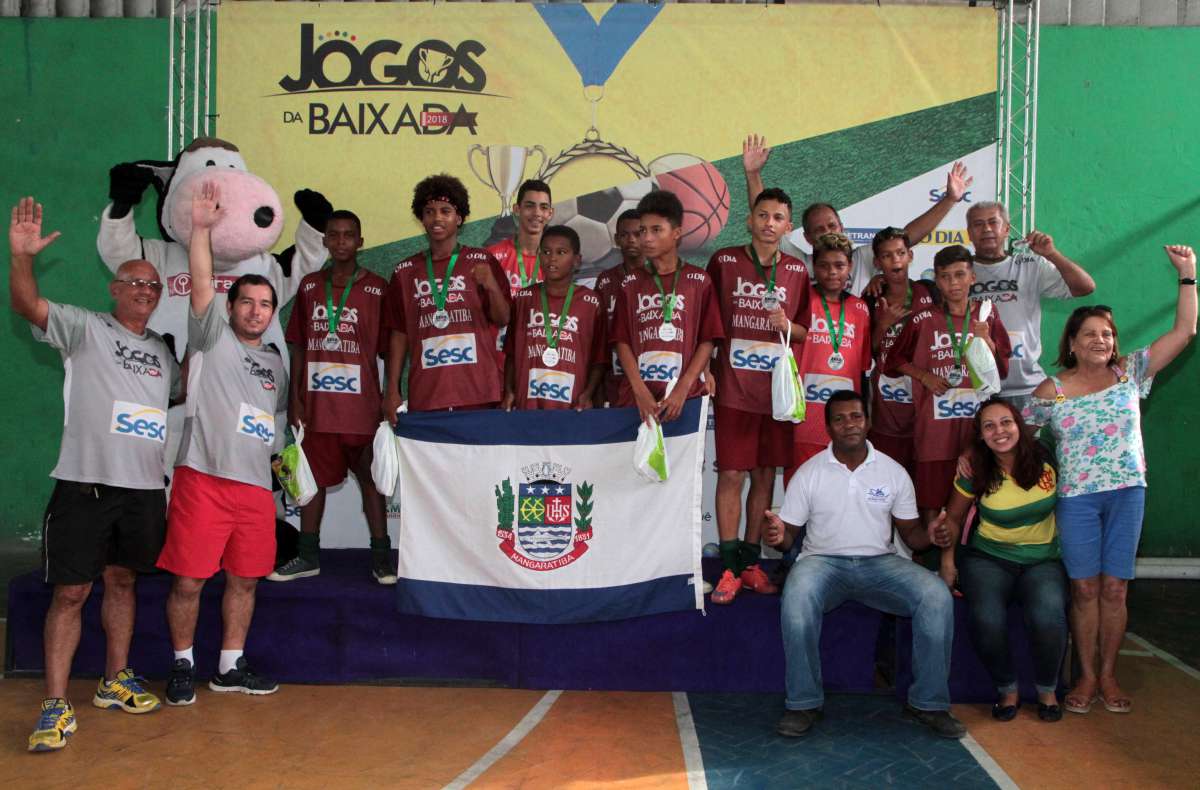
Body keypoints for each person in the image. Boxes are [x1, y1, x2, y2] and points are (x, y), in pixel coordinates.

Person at [11, 197, 179, 751]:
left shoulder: (161, 352)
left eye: (153, 287)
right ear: (114, 287)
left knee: (123, 580)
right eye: (135, 282)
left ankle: (114, 679)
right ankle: (55, 705)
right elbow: (28, 303)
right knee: (71, 592)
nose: (144, 292)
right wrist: (21, 258)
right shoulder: (84, 329)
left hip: (143, 493)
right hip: (85, 486)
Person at [1024, 245, 1196, 715]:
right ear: (1073, 342)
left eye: (1107, 333)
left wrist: (1188, 275)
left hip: (1127, 494)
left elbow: (1184, 331)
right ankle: (1082, 675)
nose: (1100, 340)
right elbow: (1015, 441)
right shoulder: (1051, 390)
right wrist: (971, 463)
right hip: (1076, 499)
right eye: (1090, 334)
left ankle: (1108, 675)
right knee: (1083, 589)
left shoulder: (1131, 374)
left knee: (1116, 588)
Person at [763, 390, 964, 739]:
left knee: (935, 595)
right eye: (839, 419)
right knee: (796, 598)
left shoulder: (893, 472)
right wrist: (777, 534)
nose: (848, 424)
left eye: (855, 416)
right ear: (828, 427)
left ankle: (928, 703)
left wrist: (933, 535)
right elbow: (787, 539)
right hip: (821, 563)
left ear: (867, 421)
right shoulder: (809, 473)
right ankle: (803, 702)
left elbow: (912, 537)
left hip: (879, 564)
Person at [157, 181, 289, 705]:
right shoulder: (211, 337)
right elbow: (203, 282)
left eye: (265, 305)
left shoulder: (277, 365)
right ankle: (182, 664)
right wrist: (202, 230)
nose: (256, 311)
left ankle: (229, 667)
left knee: (245, 581)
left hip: (254, 492)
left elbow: (265, 424)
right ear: (230, 307)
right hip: (203, 481)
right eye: (248, 302)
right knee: (189, 583)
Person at [268, 210, 394, 584]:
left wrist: (387, 399)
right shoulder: (309, 286)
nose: (341, 242)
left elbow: (389, 350)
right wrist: (295, 400)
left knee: (371, 483)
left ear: (360, 241)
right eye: (334, 235)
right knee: (311, 482)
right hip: (318, 409)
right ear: (324, 241)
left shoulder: (377, 288)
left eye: (348, 235)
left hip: (362, 408)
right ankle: (308, 556)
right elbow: (299, 349)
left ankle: (382, 558)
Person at [930, 397, 1067, 722]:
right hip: (988, 557)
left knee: (1048, 614)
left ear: (1019, 424)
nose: (1000, 431)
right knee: (987, 617)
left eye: (1006, 422)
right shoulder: (974, 467)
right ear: (980, 435)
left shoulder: (1046, 456)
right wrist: (947, 561)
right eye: (989, 426)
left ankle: (1047, 690)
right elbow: (953, 518)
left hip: (1042, 559)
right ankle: (1007, 689)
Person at [706, 187, 810, 604]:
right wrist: (707, 371)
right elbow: (705, 321)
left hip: (776, 394)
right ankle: (729, 566)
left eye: (778, 217)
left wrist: (786, 322)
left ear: (788, 226)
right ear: (750, 220)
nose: (769, 224)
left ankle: (749, 564)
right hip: (733, 388)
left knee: (765, 475)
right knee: (732, 474)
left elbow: (803, 332)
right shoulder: (724, 261)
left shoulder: (798, 271)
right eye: (762, 215)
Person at [742, 134, 972, 296]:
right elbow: (766, 220)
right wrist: (753, 175)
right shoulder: (798, 262)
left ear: (842, 227)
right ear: (808, 238)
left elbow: (906, 237)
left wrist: (950, 199)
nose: (827, 232)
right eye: (819, 230)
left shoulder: (862, 259)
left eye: (832, 225)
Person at [884, 244, 1011, 527]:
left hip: (979, 428)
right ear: (937, 280)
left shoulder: (986, 314)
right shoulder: (922, 317)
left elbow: (1002, 368)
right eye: (945, 276)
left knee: (980, 496)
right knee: (931, 499)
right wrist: (924, 376)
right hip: (935, 428)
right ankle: (929, 564)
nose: (953, 283)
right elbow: (892, 361)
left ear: (972, 277)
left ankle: (968, 563)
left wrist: (987, 340)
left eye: (960, 275)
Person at [382, 174, 512, 419]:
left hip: (478, 391)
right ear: (421, 219)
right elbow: (398, 334)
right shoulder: (404, 272)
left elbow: (503, 318)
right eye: (429, 211)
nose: (437, 218)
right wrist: (392, 391)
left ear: (459, 217)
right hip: (428, 392)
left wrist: (492, 286)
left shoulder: (481, 261)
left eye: (445, 211)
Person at [965, 202, 1095, 411]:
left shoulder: (1031, 265)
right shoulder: (958, 273)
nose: (987, 229)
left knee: (1029, 445)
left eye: (993, 222)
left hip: (1027, 387)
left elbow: (1085, 287)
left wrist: (1051, 253)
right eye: (978, 224)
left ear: (1006, 228)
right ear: (969, 233)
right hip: (975, 387)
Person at [612, 190, 723, 426]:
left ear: (676, 234)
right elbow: (621, 342)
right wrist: (640, 391)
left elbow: (707, 339)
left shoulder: (699, 280)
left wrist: (683, 388)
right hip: (637, 399)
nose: (647, 238)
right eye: (643, 231)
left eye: (656, 230)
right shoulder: (630, 283)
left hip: (684, 397)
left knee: (682, 463)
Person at [786, 232, 872, 482]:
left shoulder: (860, 309)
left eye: (839, 265)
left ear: (850, 267)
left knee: (842, 493)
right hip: (803, 417)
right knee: (800, 489)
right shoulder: (800, 299)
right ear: (813, 266)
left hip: (845, 424)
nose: (832, 272)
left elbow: (863, 367)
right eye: (823, 266)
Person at [502, 225, 606, 410]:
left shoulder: (591, 302)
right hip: (528, 402)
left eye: (561, 252)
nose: (552, 258)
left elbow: (599, 359)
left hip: (572, 405)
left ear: (576, 260)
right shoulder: (524, 298)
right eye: (546, 252)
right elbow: (511, 353)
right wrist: (509, 391)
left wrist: (587, 394)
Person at [864, 227, 940, 474]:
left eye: (900, 253)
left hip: (926, 400)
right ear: (877, 262)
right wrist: (883, 325)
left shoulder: (929, 291)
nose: (895, 260)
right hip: (887, 406)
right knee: (886, 480)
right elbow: (867, 353)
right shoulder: (871, 298)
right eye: (887, 256)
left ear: (910, 255)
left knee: (922, 484)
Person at [593, 209, 645, 406]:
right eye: (625, 235)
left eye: (638, 234)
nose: (631, 240)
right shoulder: (605, 281)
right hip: (613, 379)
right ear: (616, 239)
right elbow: (597, 335)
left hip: (650, 375)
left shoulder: (658, 279)